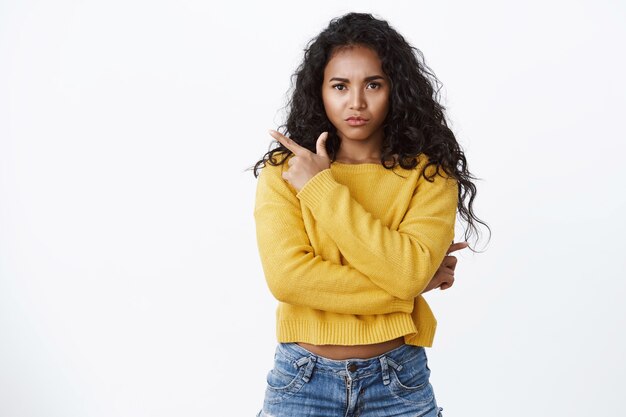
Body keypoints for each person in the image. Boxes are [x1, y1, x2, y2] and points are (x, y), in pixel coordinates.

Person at [249, 12, 489, 417]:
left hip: (398, 382)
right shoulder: (286, 171)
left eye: (373, 85)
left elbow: (407, 271)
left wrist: (320, 189)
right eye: (340, 86)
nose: (356, 102)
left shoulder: (429, 175)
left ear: (395, 90)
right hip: (301, 380)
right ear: (320, 91)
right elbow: (288, 279)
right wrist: (406, 290)